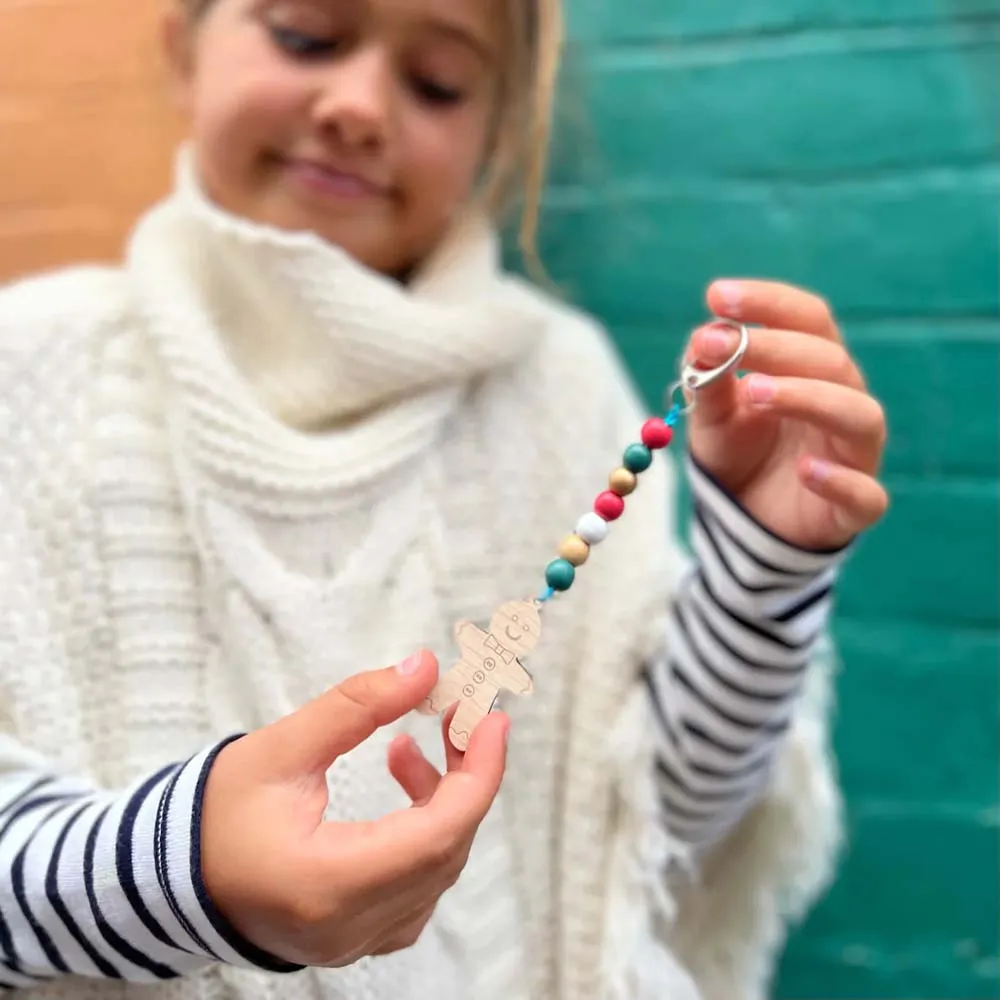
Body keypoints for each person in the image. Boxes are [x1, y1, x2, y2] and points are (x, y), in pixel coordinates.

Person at [0, 0, 889, 997]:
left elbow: (650, 817)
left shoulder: (559, 387)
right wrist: (185, 880)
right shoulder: (22, 373)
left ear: (496, 134)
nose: (358, 107)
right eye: (304, 36)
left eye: (437, 84)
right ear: (183, 49)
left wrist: (760, 570)